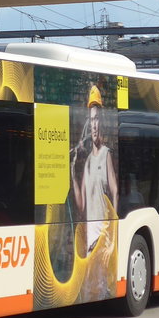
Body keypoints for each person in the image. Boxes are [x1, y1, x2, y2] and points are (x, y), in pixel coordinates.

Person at [72, 84, 118, 252]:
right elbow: (82, 205)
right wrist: (72, 175)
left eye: (97, 119)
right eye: (91, 120)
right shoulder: (88, 163)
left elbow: (115, 191)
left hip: (103, 239)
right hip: (91, 242)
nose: (94, 125)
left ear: (102, 122)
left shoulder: (107, 154)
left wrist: (113, 230)